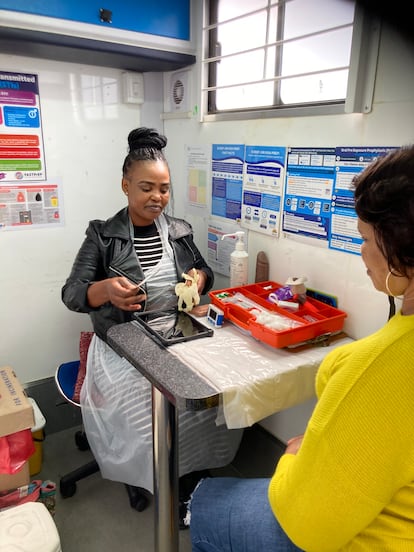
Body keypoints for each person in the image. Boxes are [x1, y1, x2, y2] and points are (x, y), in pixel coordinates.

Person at [188, 145, 414, 551]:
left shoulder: (378, 372)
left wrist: (294, 455)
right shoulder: (103, 232)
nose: (362, 251)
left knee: (206, 504)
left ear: (399, 248)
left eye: (364, 238)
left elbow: (310, 525)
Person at [61, 127, 243, 516]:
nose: (157, 198)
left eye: (164, 188)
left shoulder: (179, 231)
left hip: (176, 334)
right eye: (146, 188)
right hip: (122, 346)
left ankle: (189, 473)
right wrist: (106, 290)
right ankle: (160, 475)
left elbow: (205, 270)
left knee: (206, 397)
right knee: (149, 410)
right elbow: (72, 293)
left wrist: (199, 279)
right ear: (125, 185)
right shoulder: (102, 236)